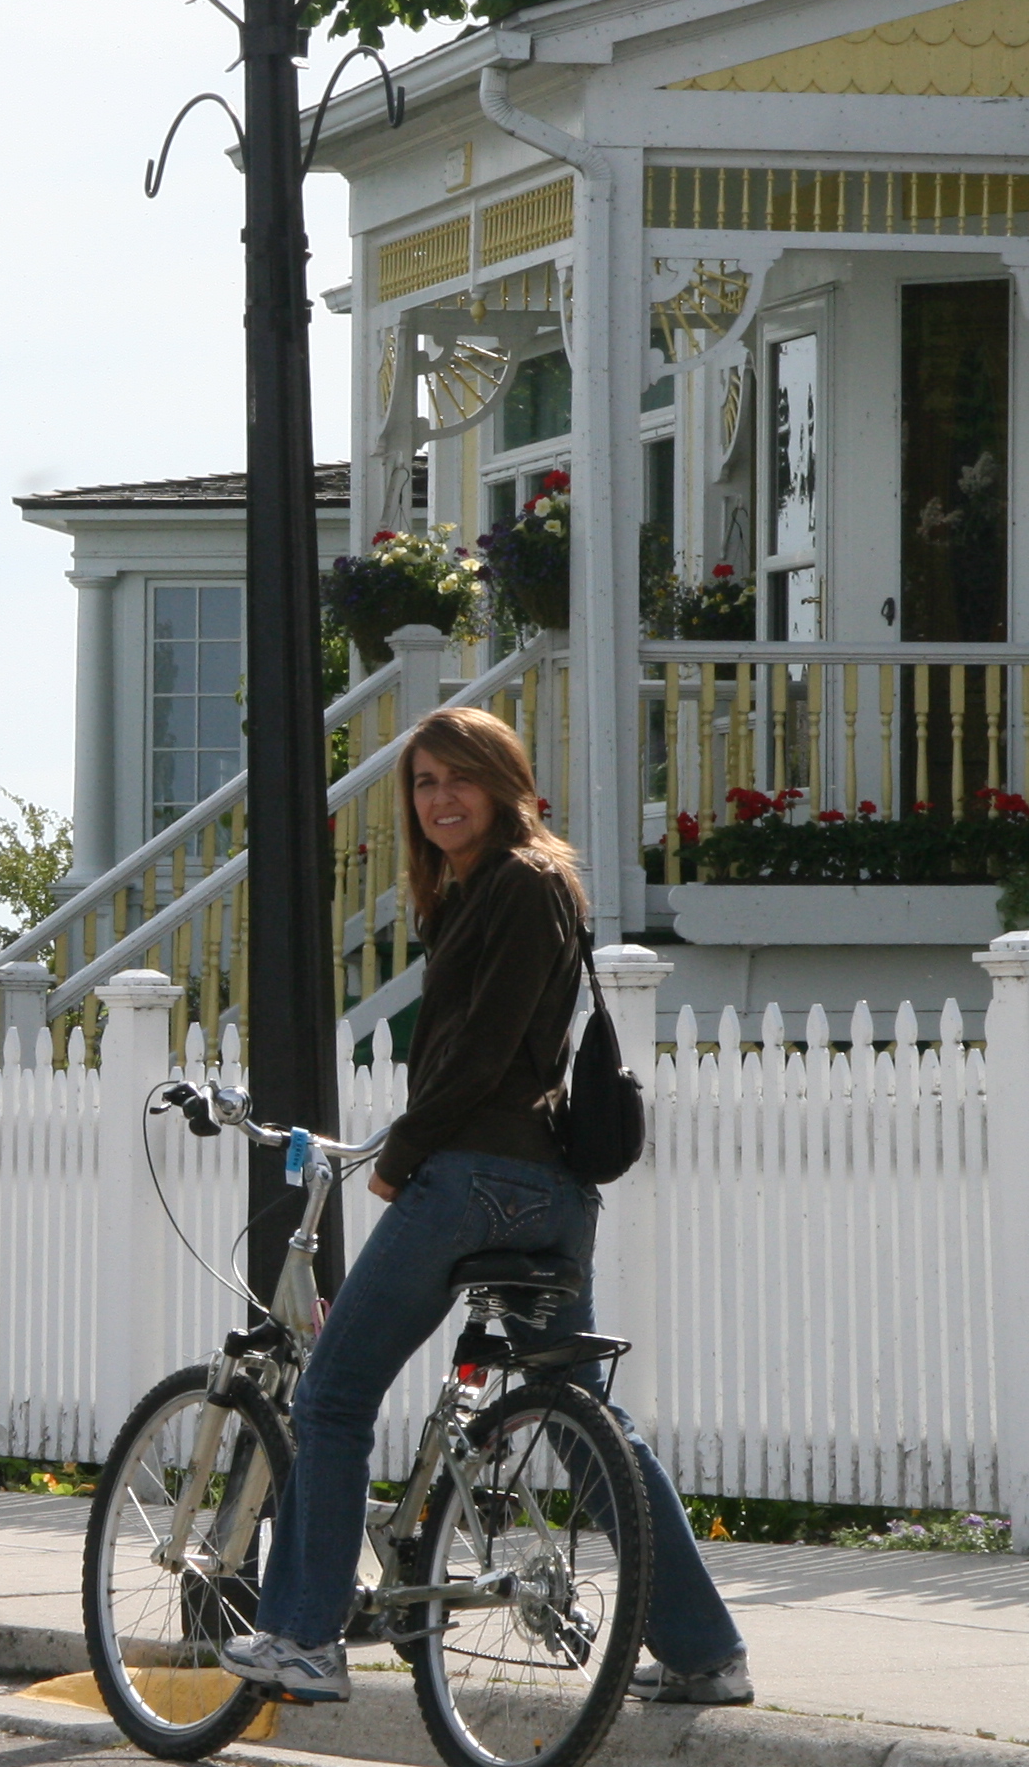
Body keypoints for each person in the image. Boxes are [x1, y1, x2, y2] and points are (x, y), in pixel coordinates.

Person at [216, 704, 752, 1709]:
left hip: (474, 1181)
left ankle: (303, 1639)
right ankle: (704, 1653)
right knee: (584, 1421)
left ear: (504, 785)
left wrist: (403, 1153)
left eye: (460, 777)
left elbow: (485, 1048)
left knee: (332, 1397)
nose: (440, 799)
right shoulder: (498, 890)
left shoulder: (518, 881)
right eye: (423, 783)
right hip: (549, 1193)